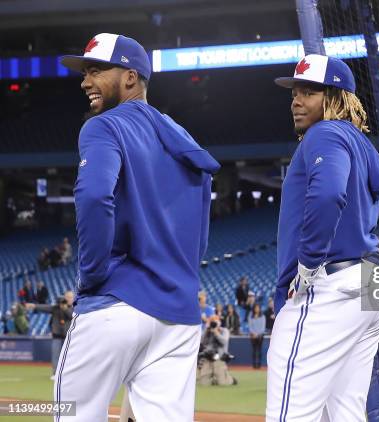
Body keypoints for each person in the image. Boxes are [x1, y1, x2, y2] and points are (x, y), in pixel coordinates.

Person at [56, 33, 220, 422]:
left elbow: (96, 197)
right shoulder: (185, 139)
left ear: (130, 77)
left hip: (116, 301)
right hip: (177, 315)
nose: (85, 81)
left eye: (96, 70)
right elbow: (200, 237)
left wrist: (92, 276)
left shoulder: (103, 127)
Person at [267, 54, 379, 421]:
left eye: (309, 92)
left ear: (337, 98)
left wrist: (307, 263)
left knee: (290, 411)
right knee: (345, 412)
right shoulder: (360, 143)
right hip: (372, 280)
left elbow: (328, 194)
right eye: (295, 92)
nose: (296, 100)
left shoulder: (324, 133)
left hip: (333, 280)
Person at [26, 290, 74, 379]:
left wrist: (65, 309)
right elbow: (45, 307)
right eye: (67, 297)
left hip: (68, 337)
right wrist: (34, 306)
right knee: (55, 355)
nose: (68, 299)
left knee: (68, 356)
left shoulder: (74, 307)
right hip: (56, 336)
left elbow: (72, 316)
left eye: (70, 297)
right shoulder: (56, 307)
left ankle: (67, 373)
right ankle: (55, 373)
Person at [198, 315, 236, 386]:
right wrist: (207, 330)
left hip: (219, 358)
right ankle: (214, 378)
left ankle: (230, 379)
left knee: (222, 383)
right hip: (208, 358)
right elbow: (202, 342)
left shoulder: (224, 331)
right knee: (204, 383)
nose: (213, 325)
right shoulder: (208, 331)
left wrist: (216, 332)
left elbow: (224, 342)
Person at [248, 303, 266, 369]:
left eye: (258, 308)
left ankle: (259, 365)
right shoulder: (250, 316)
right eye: (255, 308)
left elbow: (263, 328)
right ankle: (254, 365)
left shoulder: (263, 316)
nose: (257, 309)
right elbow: (250, 326)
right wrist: (253, 333)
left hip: (260, 336)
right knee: (254, 350)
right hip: (253, 336)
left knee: (259, 350)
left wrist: (257, 334)